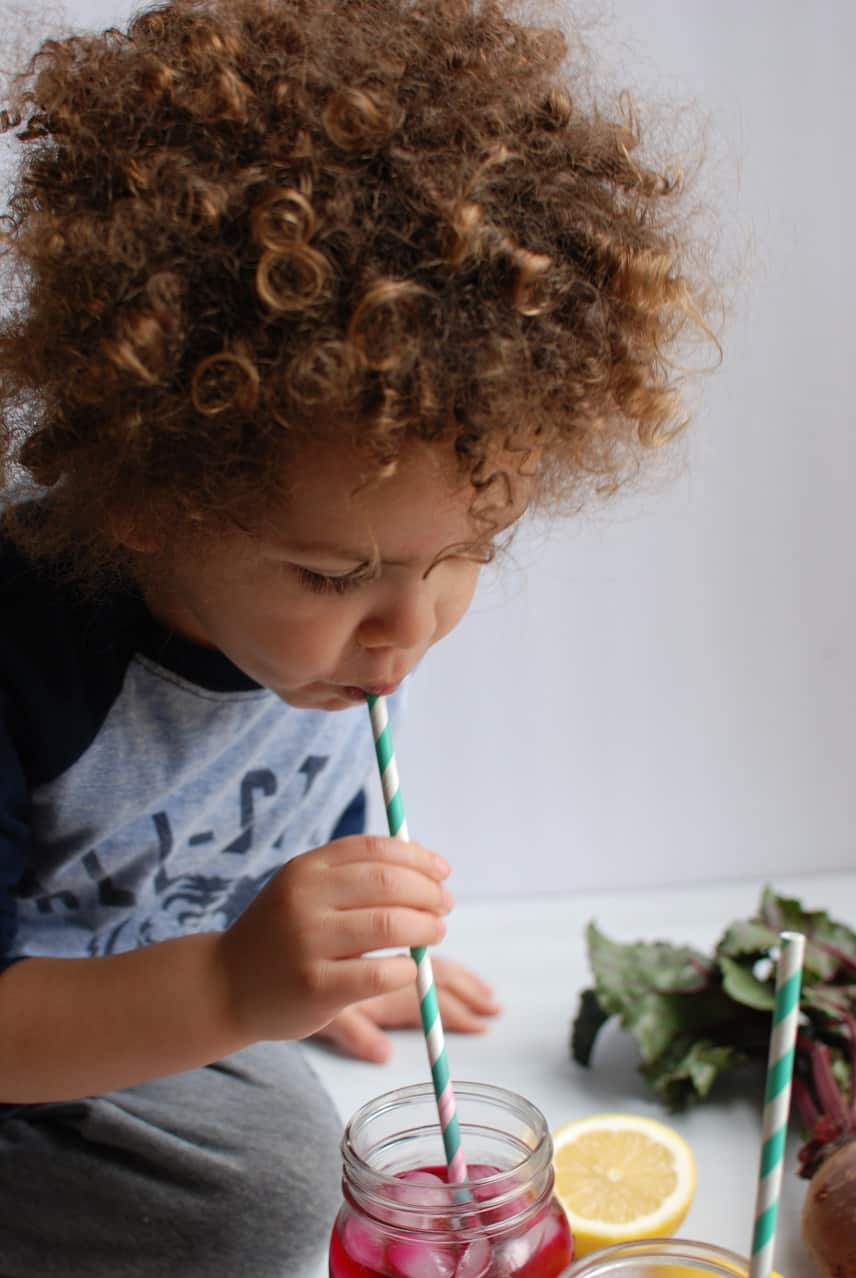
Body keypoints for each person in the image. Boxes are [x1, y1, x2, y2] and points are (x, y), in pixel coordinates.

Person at [0, 0, 716, 1273]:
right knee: (269, 1200)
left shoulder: (325, 633)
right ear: (156, 498)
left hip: (146, 1002)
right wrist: (230, 991)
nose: (410, 630)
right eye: (338, 575)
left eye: (465, 560)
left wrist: (321, 965)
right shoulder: (28, 665)